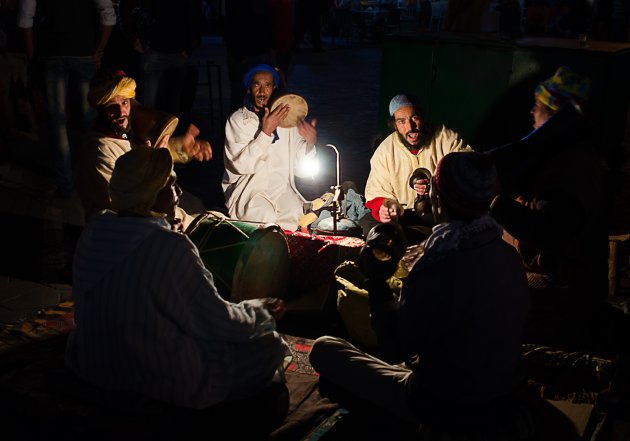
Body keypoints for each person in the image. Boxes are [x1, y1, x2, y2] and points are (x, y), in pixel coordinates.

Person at [310, 151, 530, 429]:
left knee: (324, 349)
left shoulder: (436, 264)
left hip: (443, 402)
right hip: (502, 390)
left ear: (437, 198)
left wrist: (376, 281)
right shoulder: (508, 255)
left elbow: (394, 348)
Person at [66, 146, 289, 420]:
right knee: (267, 346)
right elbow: (218, 321)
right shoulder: (169, 245)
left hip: (94, 362)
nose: (178, 193)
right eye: (171, 185)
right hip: (157, 376)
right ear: (152, 196)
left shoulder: (94, 231)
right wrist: (260, 312)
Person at [489, 66, 610, 350]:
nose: (532, 111)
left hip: (563, 294)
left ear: (556, 116)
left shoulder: (571, 167)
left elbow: (547, 231)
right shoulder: (567, 153)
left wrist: (494, 202)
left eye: (538, 106)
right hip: (563, 284)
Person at [75, 68, 211, 228]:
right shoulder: (99, 150)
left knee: (199, 208)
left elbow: (150, 151)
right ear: (101, 109)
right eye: (112, 106)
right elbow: (125, 206)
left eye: (125, 103)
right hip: (123, 231)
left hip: (147, 215)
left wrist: (183, 148)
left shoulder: (127, 133)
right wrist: (167, 220)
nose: (121, 112)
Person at [17, 0, 116, 198]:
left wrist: (32, 57)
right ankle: (98, 178)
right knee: (90, 119)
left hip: (53, 53)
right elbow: (109, 16)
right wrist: (100, 50)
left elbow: (25, 20)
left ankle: (66, 185)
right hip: (84, 52)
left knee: (58, 122)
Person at [360, 93, 471, 240]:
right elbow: (377, 193)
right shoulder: (386, 150)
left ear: (422, 117)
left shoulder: (445, 138)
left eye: (414, 118)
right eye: (402, 121)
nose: (410, 127)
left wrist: (436, 186)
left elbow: (469, 166)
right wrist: (384, 208)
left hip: (441, 211)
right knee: (369, 222)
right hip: (404, 214)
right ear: (394, 124)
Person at [222, 63, 317, 230]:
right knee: (266, 219)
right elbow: (241, 165)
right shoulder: (237, 120)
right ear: (249, 89)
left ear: (274, 88)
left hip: (281, 189)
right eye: (257, 84)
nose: (262, 91)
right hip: (249, 191)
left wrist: (309, 143)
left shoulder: (287, 120)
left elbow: (301, 170)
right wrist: (265, 133)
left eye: (267, 85)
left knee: (297, 214)